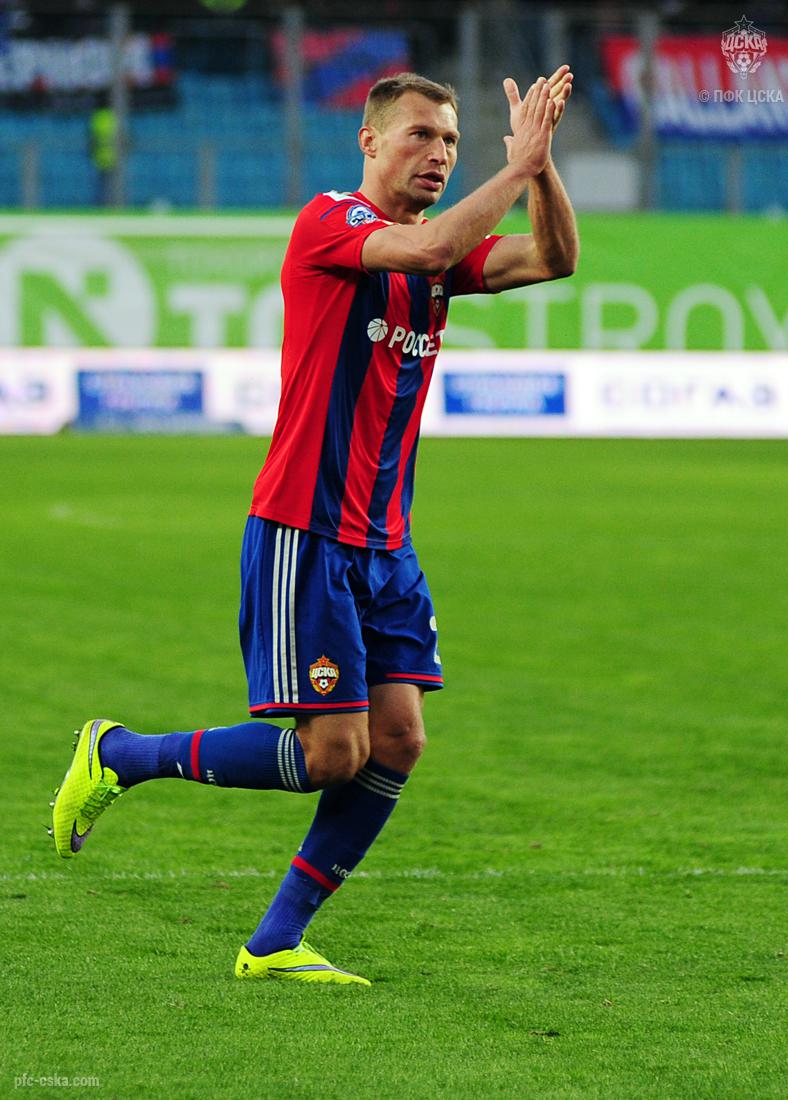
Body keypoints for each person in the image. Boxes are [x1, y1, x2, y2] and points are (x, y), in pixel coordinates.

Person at [51, 68, 578, 986]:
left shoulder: (439, 258)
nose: (440, 154)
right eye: (420, 135)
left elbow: (553, 259)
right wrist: (515, 165)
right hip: (307, 530)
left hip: (386, 542)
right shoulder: (331, 222)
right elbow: (423, 249)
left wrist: (540, 168)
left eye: (452, 141)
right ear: (369, 141)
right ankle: (120, 754)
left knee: (399, 740)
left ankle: (273, 944)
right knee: (334, 752)